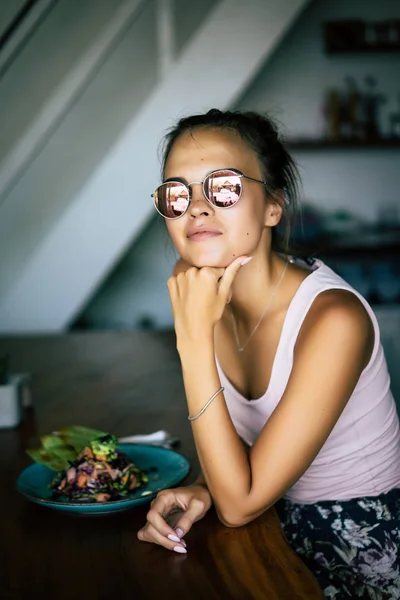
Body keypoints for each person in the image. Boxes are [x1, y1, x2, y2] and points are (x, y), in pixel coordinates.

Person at [138, 109, 400, 599]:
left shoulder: (333, 320)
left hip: (359, 549)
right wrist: (204, 488)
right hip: (268, 525)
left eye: (225, 187)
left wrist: (192, 342)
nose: (196, 208)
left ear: (272, 207)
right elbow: (241, 460)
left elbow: (241, 506)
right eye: (178, 192)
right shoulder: (201, 283)